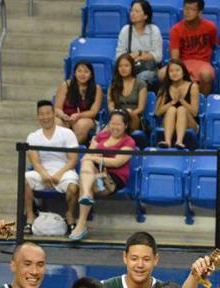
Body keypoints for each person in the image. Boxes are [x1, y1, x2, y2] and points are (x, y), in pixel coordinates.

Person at [70, 110, 136, 241]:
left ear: (126, 126)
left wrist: (97, 158)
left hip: (111, 179)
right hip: (94, 174)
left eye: (118, 124)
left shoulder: (129, 142)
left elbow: (117, 162)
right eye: (112, 123)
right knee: (87, 163)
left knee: (85, 180)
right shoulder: (102, 136)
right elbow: (88, 154)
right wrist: (93, 157)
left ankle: (81, 223)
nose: (114, 127)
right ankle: (85, 200)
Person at [24, 100, 80, 236]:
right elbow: (35, 161)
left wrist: (58, 175)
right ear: (38, 116)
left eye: (48, 113)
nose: (45, 117)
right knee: (24, 180)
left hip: (64, 171)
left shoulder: (67, 133)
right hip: (42, 171)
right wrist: (44, 174)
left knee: (73, 187)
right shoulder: (32, 136)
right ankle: (30, 217)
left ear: (54, 114)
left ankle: (70, 215)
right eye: (42, 114)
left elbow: (73, 160)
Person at [165, 0, 219, 96]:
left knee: (206, 74)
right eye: (186, 9)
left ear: (200, 12)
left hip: (203, 62)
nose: (188, 12)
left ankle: (203, 101)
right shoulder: (176, 29)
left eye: (192, 9)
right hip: (183, 63)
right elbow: (174, 58)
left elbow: (215, 46)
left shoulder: (210, 27)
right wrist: (183, 73)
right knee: (161, 74)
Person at [115, 0, 163, 87]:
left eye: (137, 11)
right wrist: (132, 58)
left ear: (145, 16)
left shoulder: (154, 30)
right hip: (130, 68)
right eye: (132, 10)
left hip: (149, 68)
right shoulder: (125, 30)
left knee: (143, 77)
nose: (132, 13)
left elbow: (158, 57)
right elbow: (119, 56)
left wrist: (139, 54)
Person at [55, 61, 103, 145]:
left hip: (85, 118)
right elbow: (57, 108)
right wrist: (62, 115)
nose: (82, 74)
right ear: (75, 73)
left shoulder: (97, 88)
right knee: (57, 122)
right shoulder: (66, 85)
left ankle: (72, 149)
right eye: (79, 71)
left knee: (81, 125)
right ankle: (60, 149)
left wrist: (79, 115)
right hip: (65, 117)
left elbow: (94, 112)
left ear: (91, 75)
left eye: (86, 72)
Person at [155, 59, 200, 149]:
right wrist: (172, 102)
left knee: (181, 109)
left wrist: (181, 100)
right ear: (168, 74)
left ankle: (179, 142)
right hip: (168, 123)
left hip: (190, 123)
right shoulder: (164, 87)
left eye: (177, 70)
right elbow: (157, 112)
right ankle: (167, 142)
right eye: (171, 71)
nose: (174, 73)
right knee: (172, 109)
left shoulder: (193, 86)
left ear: (183, 72)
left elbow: (195, 113)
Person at [108, 55, 148, 135]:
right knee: (114, 124)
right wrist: (117, 114)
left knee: (128, 112)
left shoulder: (141, 84)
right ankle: (97, 140)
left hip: (134, 117)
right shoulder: (113, 85)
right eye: (120, 66)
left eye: (126, 66)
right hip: (117, 118)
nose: (123, 69)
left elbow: (141, 108)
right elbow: (111, 105)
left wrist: (127, 114)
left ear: (132, 67)